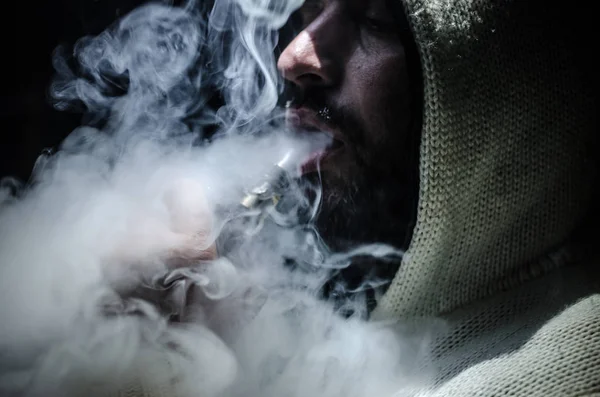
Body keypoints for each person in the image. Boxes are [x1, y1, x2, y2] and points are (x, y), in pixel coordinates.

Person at [109, 0, 599, 395]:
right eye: (306, 14)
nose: (293, 57)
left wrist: (145, 366)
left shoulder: (563, 367)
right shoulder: (353, 314)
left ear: (501, 83)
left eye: (373, 20)